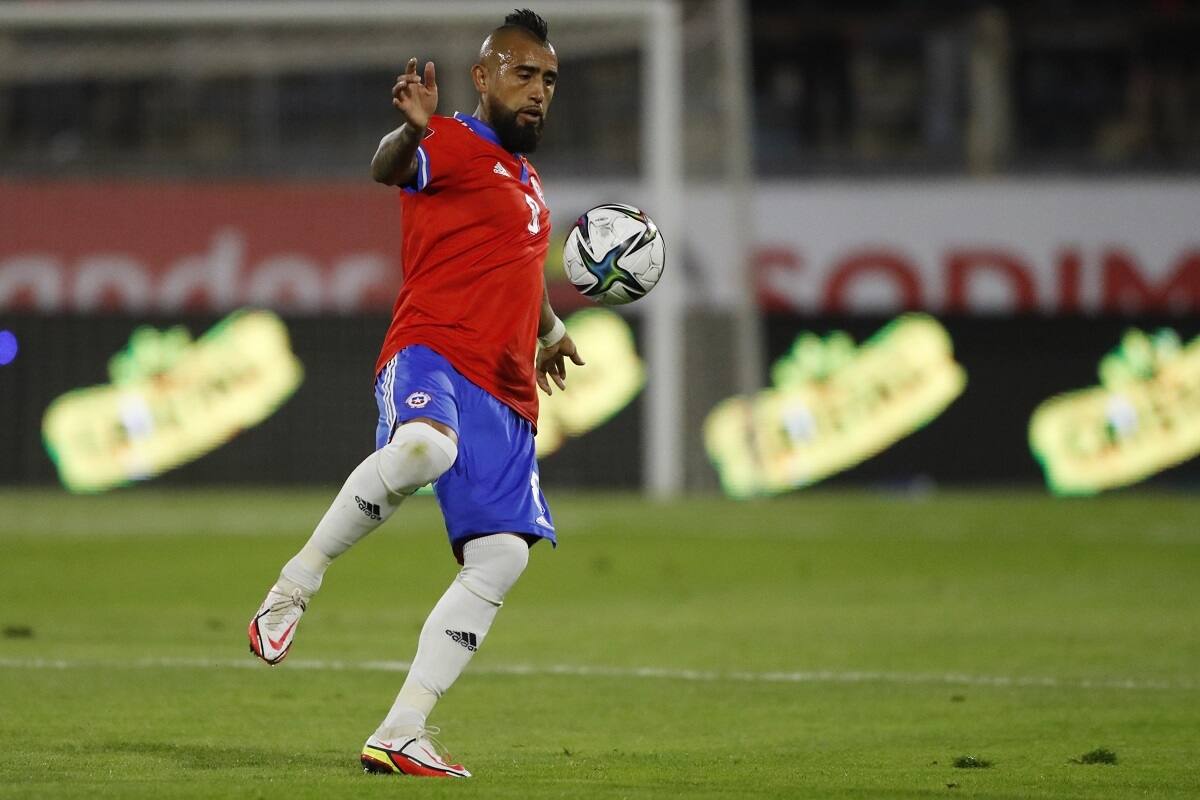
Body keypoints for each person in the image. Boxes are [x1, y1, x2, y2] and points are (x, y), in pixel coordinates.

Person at [248, 9, 581, 779]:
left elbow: (519, 268)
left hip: (506, 390)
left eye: (549, 79)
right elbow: (387, 167)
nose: (538, 91)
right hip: (434, 351)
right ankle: (295, 584)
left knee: (502, 557)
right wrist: (412, 129)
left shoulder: (529, 182)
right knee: (425, 448)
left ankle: (401, 731)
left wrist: (552, 331)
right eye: (524, 74)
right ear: (484, 77)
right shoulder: (449, 142)